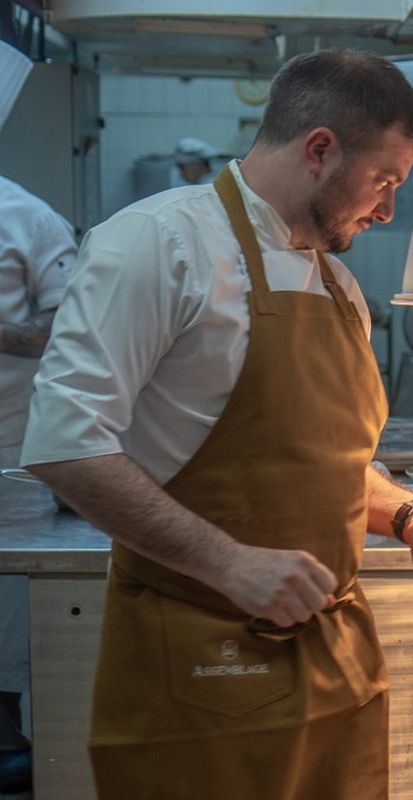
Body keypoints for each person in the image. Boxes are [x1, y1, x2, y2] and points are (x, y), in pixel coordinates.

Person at [21, 49, 413, 800]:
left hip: (334, 666)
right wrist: (231, 564)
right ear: (319, 150)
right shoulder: (156, 244)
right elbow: (66, 446)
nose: (387, 210)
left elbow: (319, 462)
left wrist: (407, 512)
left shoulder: (335, 279)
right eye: (386, 181)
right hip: (201, 668)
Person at [0, 174, 77, 793]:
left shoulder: (28, 217)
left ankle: (15, 739)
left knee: (11, 613)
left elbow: (66, 325)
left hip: (11, 457)